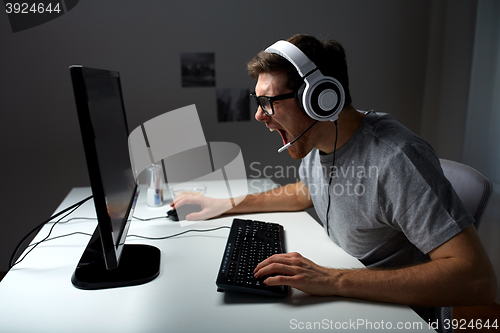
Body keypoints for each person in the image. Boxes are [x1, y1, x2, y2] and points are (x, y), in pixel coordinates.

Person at [172, 34, 497, 317]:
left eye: (269, 101)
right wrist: (222, 204)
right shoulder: (321, 143)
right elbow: (305, 192)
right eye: (258, 101)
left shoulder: (396, 158)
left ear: (320, 99)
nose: (259, 115)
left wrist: (330, 279)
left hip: (390, 315)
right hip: (348, 296)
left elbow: (477, 280)